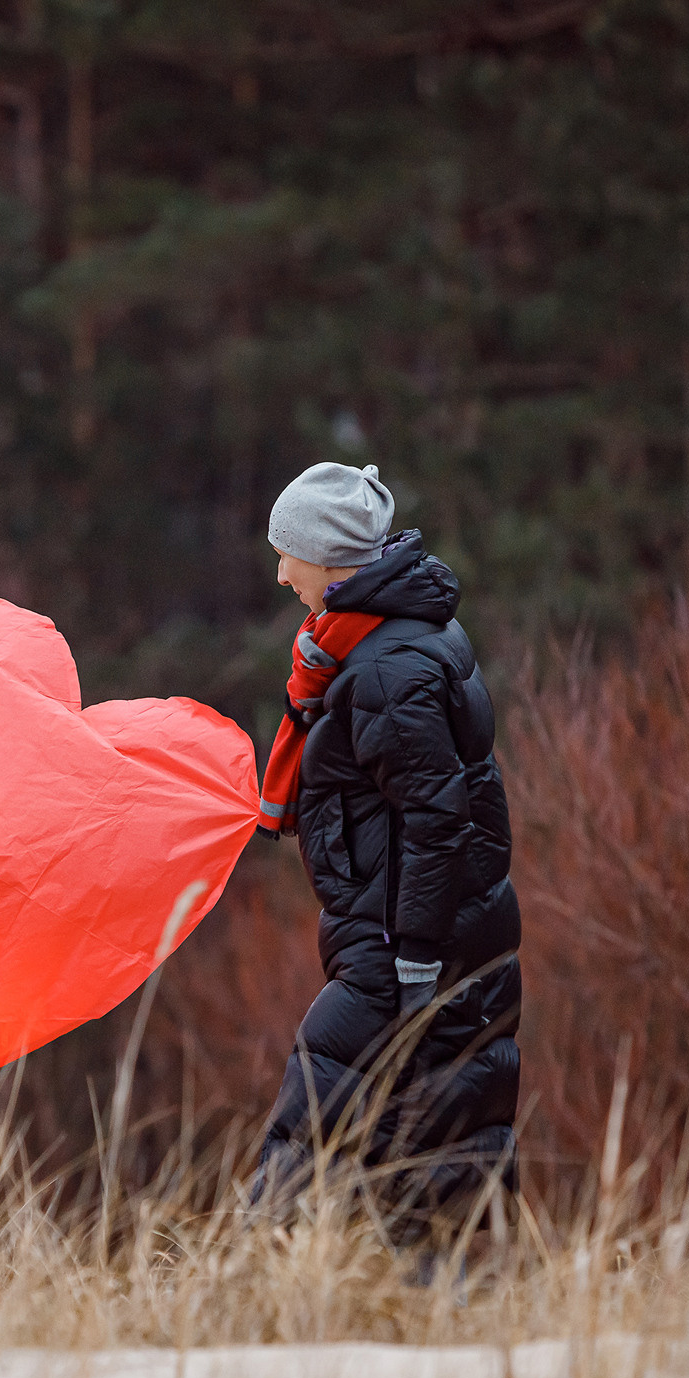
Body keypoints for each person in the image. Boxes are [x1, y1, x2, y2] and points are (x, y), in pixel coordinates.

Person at [248, 463, 522, 1238]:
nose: (280, 572)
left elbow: (440, 819)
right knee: (441, 1125)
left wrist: (412, 956)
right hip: (436, 933)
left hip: (411, 943)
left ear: (332, 559)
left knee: (323, 1088)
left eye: (289, 554)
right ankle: (440, 1288)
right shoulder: (375, 642)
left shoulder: (384, 667)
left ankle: (254, 1265)